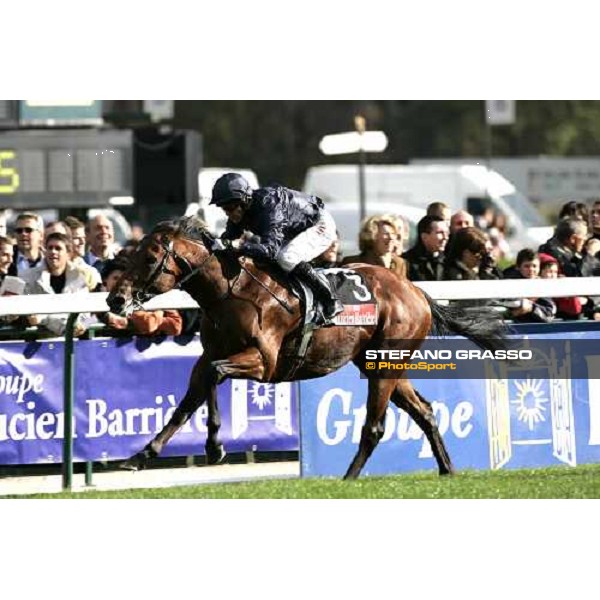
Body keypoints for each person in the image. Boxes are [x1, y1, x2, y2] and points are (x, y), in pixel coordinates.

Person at [210, 172, 343, 323]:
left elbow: (270, 251)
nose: (228, 212)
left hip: (319, 224)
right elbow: (228, 239)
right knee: (275, 261)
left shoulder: (269, 205)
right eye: (224, 208)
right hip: (295, 230)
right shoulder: (239, 212)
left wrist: (239, 246)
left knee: (286, 257)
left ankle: (330, 299)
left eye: (231, 207)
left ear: (245, 200)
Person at [21, 232, 91, 337]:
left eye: (58, 248)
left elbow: (88, 316)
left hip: (72, 343)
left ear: (68, 253)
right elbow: (27, 314)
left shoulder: (79, 277)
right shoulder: (28, 277)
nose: (53, 252)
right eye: (50, 248)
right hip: (39, 343)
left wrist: (83, 325)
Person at [100, 257, 183, 336]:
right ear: (105, 281)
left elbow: (176, 327)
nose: (120, 283)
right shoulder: (95, 301)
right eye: (115, 278)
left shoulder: (147, 298)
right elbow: (148, 324)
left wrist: (156, 315)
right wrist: (159, 315)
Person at [342, 214, 407, 278]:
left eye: (393, 233)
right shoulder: (353, 263)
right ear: (371, 237)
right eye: (386, 234)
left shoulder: (400, 264)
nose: (391, 237)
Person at [402, 215, 448, 281]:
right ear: (424, 237)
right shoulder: (406, 263)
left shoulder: (448, 262)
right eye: (440, 233)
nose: (445, 237)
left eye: (447, 233)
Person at [8, 212, 45, 276]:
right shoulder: (6, 259)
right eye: (19, 230)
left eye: (28, 230)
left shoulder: (49, 259)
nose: (23, 234)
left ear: (41, 235)